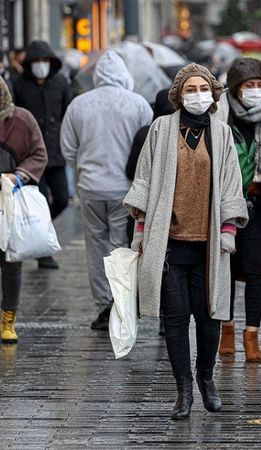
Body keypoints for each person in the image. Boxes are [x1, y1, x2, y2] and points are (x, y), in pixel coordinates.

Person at [124, 63, 248, 420]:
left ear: (213, 93)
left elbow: (230, 183)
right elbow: (144, 180)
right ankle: (183, 391)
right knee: (175, 319)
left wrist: (228, 229)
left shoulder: (221, 133)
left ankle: (206, 377)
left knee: (210, 317)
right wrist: (142, 233)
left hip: (209, 244)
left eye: (203, 88)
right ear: (178, 95)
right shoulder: (161, 130)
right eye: (190, 89)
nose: (197, 95)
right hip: (171, 241)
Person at [60, 50, 152, 330]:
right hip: (125, 190)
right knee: (121, 248)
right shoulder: (138, 104)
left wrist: (83, 168)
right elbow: (148, 146)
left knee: (95, 248)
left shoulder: (79, 104)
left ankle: (103, 306)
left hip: (90, 188)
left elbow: (68, 148)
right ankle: (120, 304)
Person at [212, 57, 261, 363]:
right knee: (225, 266)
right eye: (248, 86)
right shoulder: (219, 116)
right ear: (234, 88)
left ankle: (251, 333)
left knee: (259, 269)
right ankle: (226, 329)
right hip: (225, 204)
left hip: (260, 201)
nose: (255, 91)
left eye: (259, 85)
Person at [13, 41, 72, 270]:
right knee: (40, 202)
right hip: (30, 156)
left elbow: (68, 112)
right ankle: (43, 251)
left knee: (61, 199)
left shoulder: (60, 82)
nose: (40, 66)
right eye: (36, 61)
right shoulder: (19, 85)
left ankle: (41, 234)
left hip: (55, 152)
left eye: (44, 61)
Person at [0, 77, 48, 344]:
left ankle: (8, 317)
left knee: (11, 259)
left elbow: (39, 154)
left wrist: (19, 176)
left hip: (12, 199)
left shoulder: (23, 120)